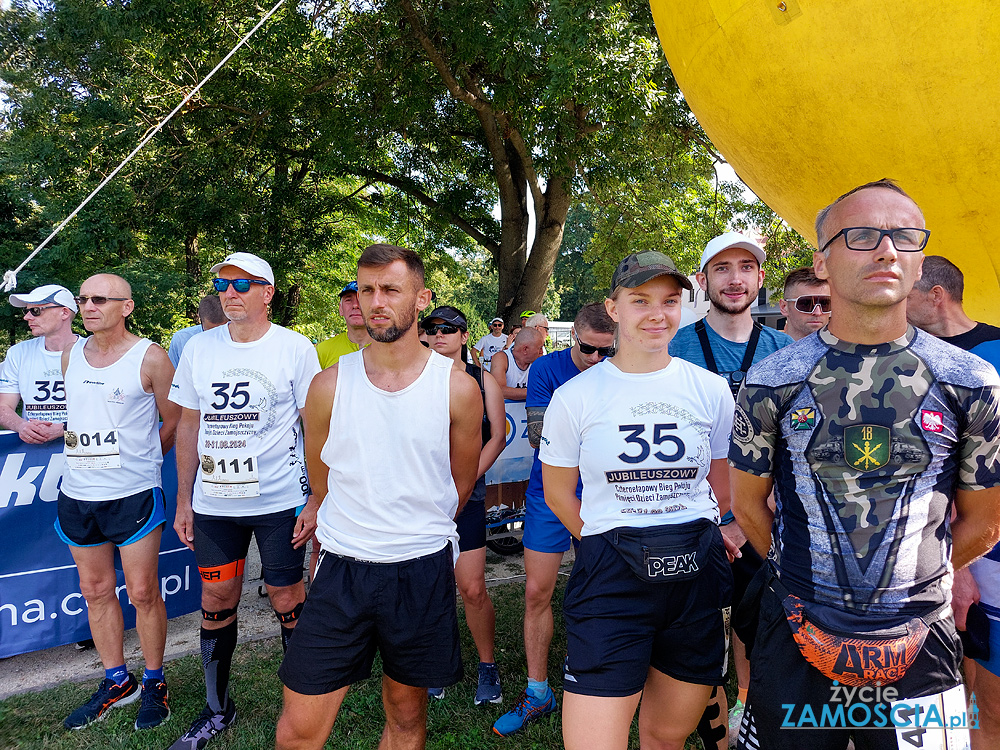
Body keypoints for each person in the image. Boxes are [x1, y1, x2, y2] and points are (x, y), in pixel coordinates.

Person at [731, 179, 1000, 750]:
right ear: (821, 260)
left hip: (920, 640)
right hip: (797, 628)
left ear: (919, 255)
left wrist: (926, 582)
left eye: (904, 235)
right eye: (862, 236)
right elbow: (747, 504)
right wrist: (801, 579)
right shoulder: (773, 378)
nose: (886, 250)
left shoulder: (970, 380)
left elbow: (984, 521)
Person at [274, 244, 483, 750]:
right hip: (343, 568)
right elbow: (320, 475)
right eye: (366, 290)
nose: (376, 301)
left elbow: (459, 480)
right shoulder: (328, 386)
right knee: (298, 730)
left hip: (420, 568)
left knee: (407, 717)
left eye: (390, 289)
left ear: (421, 298)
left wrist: (411, 523)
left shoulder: (457, 389)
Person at [540, 250, 737, 750]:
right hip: (611, 582)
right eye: (640, 300)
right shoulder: (577, 396)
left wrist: (710, 529)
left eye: (670, 301)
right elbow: (558, 494)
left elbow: (721, 477)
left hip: (694, 577)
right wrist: (607, 542)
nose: (657, 313)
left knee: (666, 736)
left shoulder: (711, 390)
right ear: (613, 307)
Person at [167, 252, 321, 750]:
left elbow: (314, 425)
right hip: (215, 506)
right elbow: (189, 423)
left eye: (242, 284)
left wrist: (317, 497)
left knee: (286, 599)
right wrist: (185, 499)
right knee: (215, 600)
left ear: (267, 293)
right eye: (222, 284)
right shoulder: (198, 348)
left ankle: (301, 703)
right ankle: (216, 709)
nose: (228, 293)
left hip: (279, 502)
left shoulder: (295, 348)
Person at [670, 233, 792, 745]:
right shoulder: (676, 346)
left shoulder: (786, 350)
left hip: (765, 519)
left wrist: (747, 519)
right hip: (697, 516)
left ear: (760, 279)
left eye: (746, 267)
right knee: (696, 636)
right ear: (703, 280)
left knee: (757, 622)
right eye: (722, 268)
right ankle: (710, 727)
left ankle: (749, 710)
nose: (735, 278)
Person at [57, 274, 179, 730]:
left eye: (99, 299)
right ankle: (116, 681)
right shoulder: (72, 353)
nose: (88, 307)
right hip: (78, 493)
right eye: (82, 299)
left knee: (144, 592)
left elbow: (173, 421)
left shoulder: (151, 357)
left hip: (132, 495)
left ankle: (153, 680)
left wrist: (142, 462)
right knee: (95, 592)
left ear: (126, 307)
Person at [492, 302, 616, 736]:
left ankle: (594, 683)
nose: (599, 359)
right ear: (573, 338)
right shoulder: (546, 368)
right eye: (589, 349)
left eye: (608, 350)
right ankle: (538, 692)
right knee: (536, 591)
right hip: (549, 493)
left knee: (600, 589)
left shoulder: (622, 369)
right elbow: (539, 436)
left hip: (604, 496)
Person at [906, 256, 1000, 750]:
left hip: (991, 539)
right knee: (954, 687)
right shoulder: (908, 360)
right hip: (935, 548)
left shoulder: (994, 354)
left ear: (937, 295)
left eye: (910, 293)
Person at [421, 305, 507, 704]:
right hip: (423, 499)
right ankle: (438, 662)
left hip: (467, 497)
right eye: (431, 328)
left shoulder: (481, 379)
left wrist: (467, 480)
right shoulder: (414, 381)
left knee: (471, 588)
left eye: (447, 329)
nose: (439, 335)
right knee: (432, 587)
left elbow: (498, 436)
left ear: (463, 336)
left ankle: (487, 667)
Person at [0, 284, 79, 442]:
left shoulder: (93, 352)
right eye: (26, 311)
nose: (27, 317)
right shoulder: (18, 353)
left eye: (36, 311)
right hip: (35, 449)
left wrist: (63, 428)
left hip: (81, 446)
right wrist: (21, 426)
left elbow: (109, 410)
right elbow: (4, 406)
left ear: (64, 312)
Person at [906, 255, 1000, 352]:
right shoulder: (905, 351)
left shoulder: (996, 343)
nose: (898, 307)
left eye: (906, 298)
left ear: (936, 295)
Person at [315, 281, 372, 369]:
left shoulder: (389, 349)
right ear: (340, 309)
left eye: (361, 299)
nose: (355, 305)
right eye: (348, 300)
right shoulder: (323, 350)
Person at [167, 295, 226, 367]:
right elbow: (173, 376)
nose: (215, 335)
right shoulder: (182, 339)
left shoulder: (239, 339)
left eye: (221, 330)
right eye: (210, 331)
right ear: (199, 317)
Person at [489, 327, 544, 401]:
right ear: (525, 349)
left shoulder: (538, 361)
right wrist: (534, 392)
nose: (542, 352)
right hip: (505, 411)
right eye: (539, 348)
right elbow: (499, 390)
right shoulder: (501, 358)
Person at [778, 267, 832, 341]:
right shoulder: (767, 350)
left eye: (825, 303)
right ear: (784, 307)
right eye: (806, 303)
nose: (817, 312)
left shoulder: (844, 350)